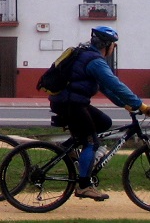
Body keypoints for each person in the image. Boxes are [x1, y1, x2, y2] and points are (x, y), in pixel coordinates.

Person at [49, 25, 150, 201]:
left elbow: (106, 88)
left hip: (70, 102)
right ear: (108, 45)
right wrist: (141, 106)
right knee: (91, 142)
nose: (114, 48)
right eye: (114, 45)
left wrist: (125, 104)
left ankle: (67, 147)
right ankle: (84, 186)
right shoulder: (95, 61)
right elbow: (115, 85)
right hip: (71, 104)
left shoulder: (85, 54)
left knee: (104, 123)